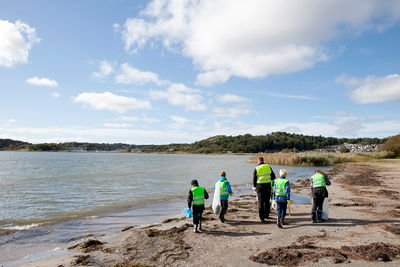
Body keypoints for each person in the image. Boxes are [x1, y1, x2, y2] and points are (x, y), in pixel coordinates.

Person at [253, 157, 276, 222]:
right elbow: (273, 176)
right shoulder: (268, 166)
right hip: (267, 185)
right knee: (267, 201)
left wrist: (254, 186)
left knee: (261, 202)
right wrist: (269, 180)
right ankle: (266, 215)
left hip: (259, 186)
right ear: (263, 161)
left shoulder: (256, 168)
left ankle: (262, 218)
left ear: (258, 161)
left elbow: (254, 178)